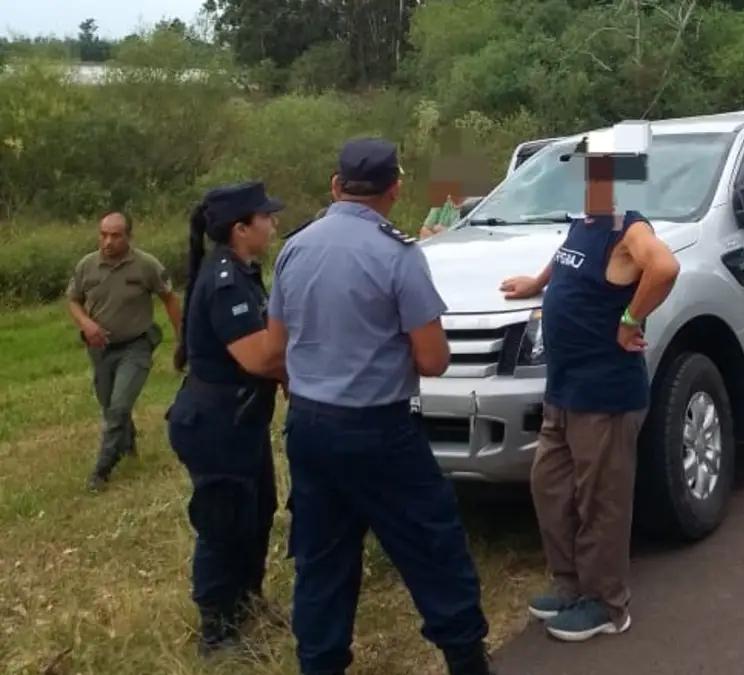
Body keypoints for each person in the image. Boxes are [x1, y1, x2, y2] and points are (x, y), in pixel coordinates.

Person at [269, 138, 495, 675]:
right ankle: (466, 658)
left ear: (335, 184)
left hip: (308, 426)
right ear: (395, 189)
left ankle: (320, 664)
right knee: (431, 544)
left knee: (322, 559)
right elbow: (433, 359)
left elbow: (276, 347)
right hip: (379, 429)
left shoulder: (295, 248)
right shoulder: (398, 254)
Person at [500, 152, 681, 643]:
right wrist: (536, 283)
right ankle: (571, 586)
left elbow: (664, 268)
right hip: (564, 390)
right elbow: (566, 259)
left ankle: (607, 604)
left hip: (604, 396)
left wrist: (629, 321)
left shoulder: (628, 230)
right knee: (551, 487)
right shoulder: (584, 225)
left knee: (600, 501)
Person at [165, 182, 288, 656]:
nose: (273, 224)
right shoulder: (225, 281)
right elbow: (258, 357)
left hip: (241, 421)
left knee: (257, 513)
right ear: (241, 229)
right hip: (216, 424)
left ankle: (247, 602)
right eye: (266, 217)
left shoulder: (242, 270)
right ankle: (216, 631)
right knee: (223, 523)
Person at [66, 211, 182, 492]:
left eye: (115, 235)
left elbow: (169, 299)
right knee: (110, 405)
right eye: (103, 234)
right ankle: (128, 444)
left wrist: (184, 340)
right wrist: (86, 324)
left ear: (128, 236)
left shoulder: (146, 265)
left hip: (136, 345)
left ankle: (102, 469)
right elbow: (73, 300)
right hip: (100, 348)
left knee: (117, 407)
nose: (107, 241)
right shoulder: (87, 266)